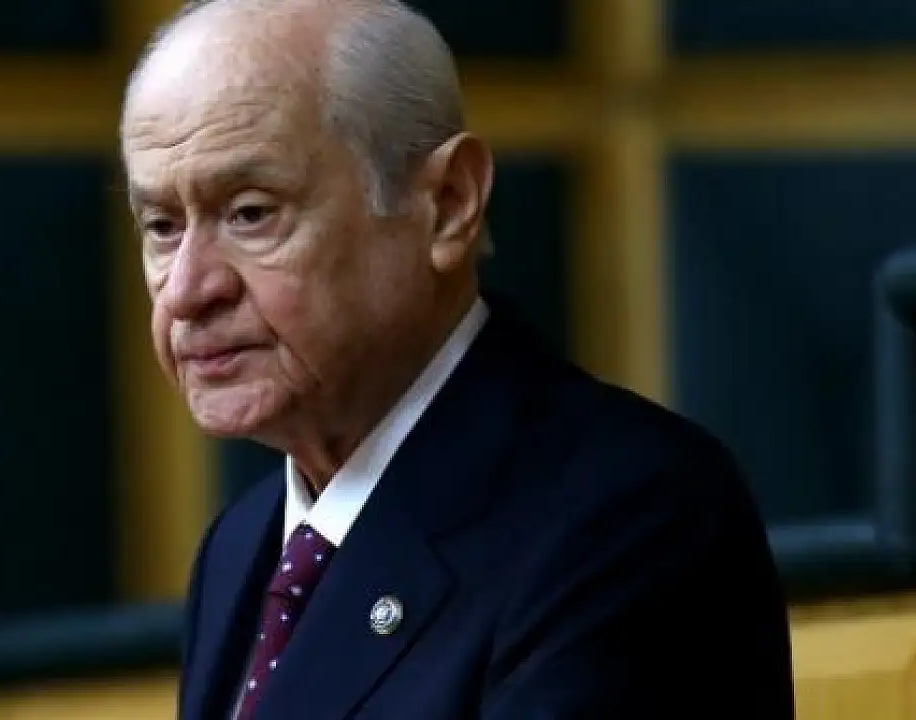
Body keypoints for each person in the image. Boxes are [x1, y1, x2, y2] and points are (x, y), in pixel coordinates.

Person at [119, 0, 796, 717]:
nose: (187, 290)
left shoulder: (631, 519)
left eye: (252, 213)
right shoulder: (240, 546)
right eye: (161, 227)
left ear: (447, 203)